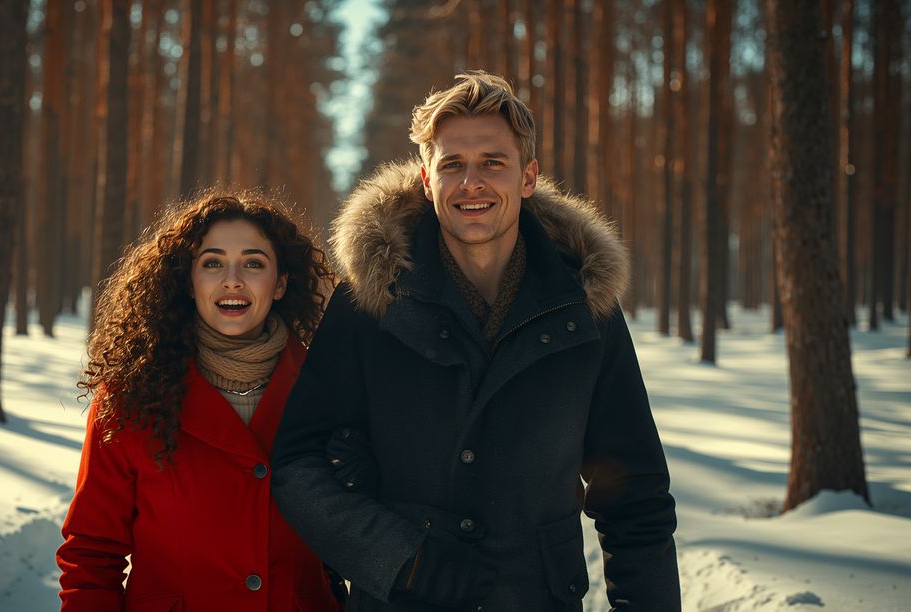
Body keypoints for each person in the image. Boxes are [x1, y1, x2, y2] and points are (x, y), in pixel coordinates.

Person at [271, 71, 680, 611]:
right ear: (425, 178)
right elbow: (299, 464)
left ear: (528, 177)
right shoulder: (371, 301)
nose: (472, 182)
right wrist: (399, 558)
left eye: (492, 162)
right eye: (452, 165)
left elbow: (635, 494)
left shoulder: (583, 307)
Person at [57, 189, 342, 611]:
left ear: (280, 283)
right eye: (212, 263)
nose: (233, 280)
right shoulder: (131, 395)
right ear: (188, 282)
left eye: (253, 263)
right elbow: (92, 552)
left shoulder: (329, 390)